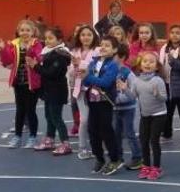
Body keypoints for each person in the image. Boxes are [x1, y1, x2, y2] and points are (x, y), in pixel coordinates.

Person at [0, 19, 43, 149]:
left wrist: (29, 50)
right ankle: (18, 136)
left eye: (27, 30)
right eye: (22, 30)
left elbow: (38, 58)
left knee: (30, 110)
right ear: (18, 31)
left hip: (32, 83)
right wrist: (3, 49)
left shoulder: (36, 44)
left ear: (33, 32)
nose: (24, 32)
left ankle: (32, 136)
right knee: (19, 110)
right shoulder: (14, 44)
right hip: (18, 82)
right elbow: (8, 60)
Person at [83, 35, 122, 175]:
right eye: (102, 45)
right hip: (92, 101)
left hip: (105, 101)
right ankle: (99, 158)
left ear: (115, 49)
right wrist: (84, 76)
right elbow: (86, 83)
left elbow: (105, 83)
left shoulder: (113, 65)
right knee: (92, 130)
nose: (103, 47)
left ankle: (115, 159)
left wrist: (87, 77)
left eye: (107, 45)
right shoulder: (94, 62)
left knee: (106, 131)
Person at [29, 26, 72, 153]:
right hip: (48, 90)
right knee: (48, 115)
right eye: (46, 38)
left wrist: (35, 66)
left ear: (59, 40)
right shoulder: (47, 51)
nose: (47, 41)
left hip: (57, 90)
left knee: (56, 116)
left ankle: (65, 143)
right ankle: (50, 139)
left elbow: (51, 73)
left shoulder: (60, 54)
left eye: (51, 38)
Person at [129, 51, 168, 180]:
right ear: (140, 64)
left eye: (151, 62)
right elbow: (133, 97)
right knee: (143, 141)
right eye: (145, 61)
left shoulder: (158, 80)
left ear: (156, 66)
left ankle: (156, 167)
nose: (148, 64)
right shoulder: (136, 81)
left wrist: (157, 94)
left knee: (154, 140)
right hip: (145, 115)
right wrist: (124, 89)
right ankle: (146, 166)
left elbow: (164, 98)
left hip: (159, 114)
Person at [68, 24, 100, 159]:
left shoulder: (98, 51)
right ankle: (82, 147)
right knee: (84, 119)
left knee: (96, 119)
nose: (86, 37)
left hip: (95, 90)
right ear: (78, 37)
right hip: (80, 90)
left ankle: (96, 147)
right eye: (83, 35)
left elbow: (98, 69)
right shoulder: (74, 51)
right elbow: (70, 73)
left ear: (94, 36)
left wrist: (82, 64)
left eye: (89, 35)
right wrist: (74, 67)